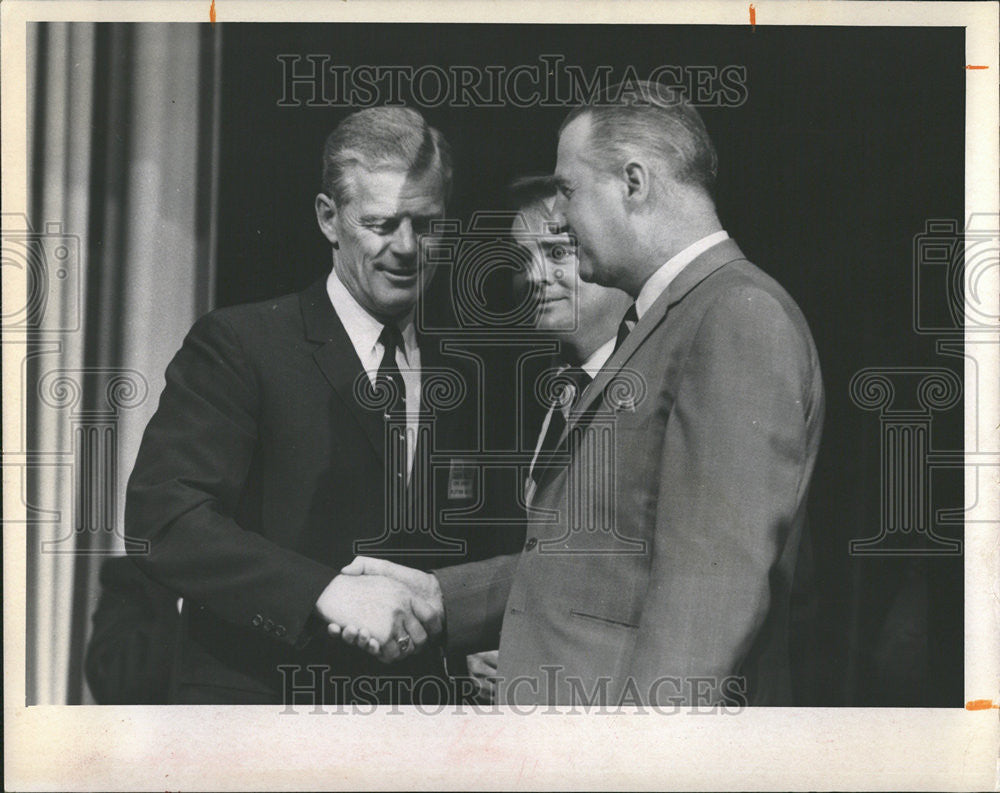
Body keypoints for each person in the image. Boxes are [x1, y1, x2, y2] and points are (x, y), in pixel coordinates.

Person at [335, 81, 826, 707]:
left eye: (568, 189)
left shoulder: (735, 314)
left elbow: (710, 591)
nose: (558, 214)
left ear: (634, 181)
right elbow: (608, 562)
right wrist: (438, 598)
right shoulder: (669, 323)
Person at [125, 106, 481, 704]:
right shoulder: (241, 344)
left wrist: (481, 634)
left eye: (428, 224)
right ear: (328, 219)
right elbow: (162, 521)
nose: (407, 248)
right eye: (381, 223)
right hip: (266, 714)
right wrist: (324, 592)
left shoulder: (467, 372)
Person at [463, 174, 632, 703]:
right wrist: (479, 644)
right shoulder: (520, 396)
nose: (533, 278)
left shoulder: (663, 392)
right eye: (522, 259)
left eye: (558, 251)